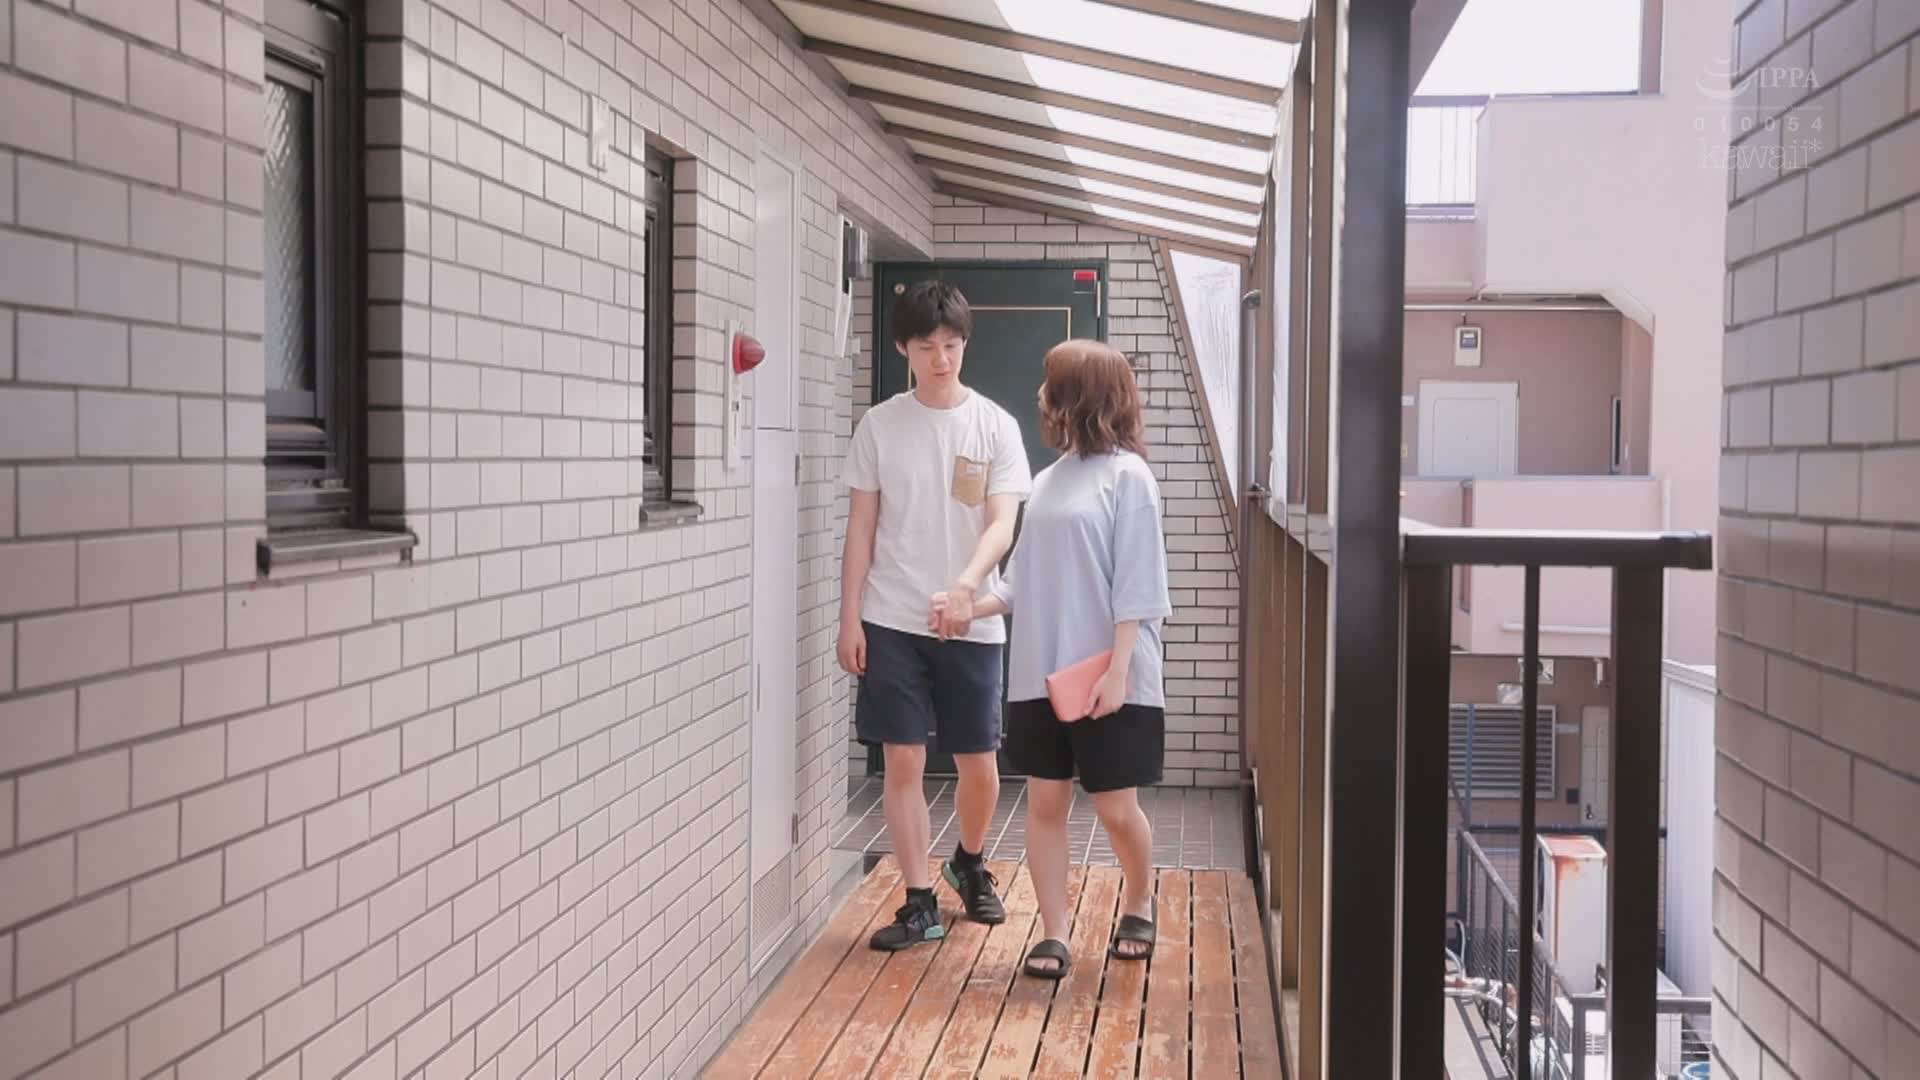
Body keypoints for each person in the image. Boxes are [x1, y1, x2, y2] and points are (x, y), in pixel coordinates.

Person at [935, 338, 1172, 979]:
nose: (1041, 395)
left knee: (1115, 808)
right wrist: (966, 608)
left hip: (1108, 675)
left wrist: (1119, 672)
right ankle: (1054, 932)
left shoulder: (1130, 477)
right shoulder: (1045, 482)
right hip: (1040, 675)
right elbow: (1018, 586)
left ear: (1081, 396)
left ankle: (1140, 900)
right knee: (1044, 805)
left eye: (1051, 383)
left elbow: (1141, 587)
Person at [839, 280, 1032, 951]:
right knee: (903, 760)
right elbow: (861, 527)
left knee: (980, 765)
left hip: (971, 620)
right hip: (891, 618)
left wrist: (966, 587)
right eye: (927, 347)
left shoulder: (995, 426)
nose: (942, 358)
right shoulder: (879, 425)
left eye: (952, 345)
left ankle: (969, 862)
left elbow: (1002, 522)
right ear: (904, 349)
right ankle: (919, 901)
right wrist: (850, 617)